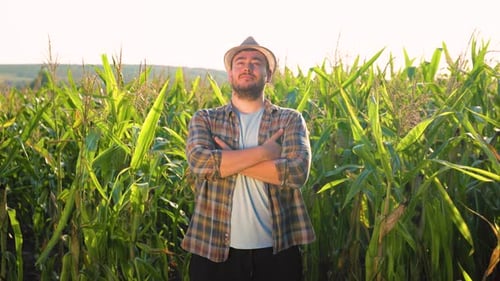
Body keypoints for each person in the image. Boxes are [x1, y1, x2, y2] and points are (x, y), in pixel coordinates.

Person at [181, 36, 316, 281]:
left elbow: (297, 173)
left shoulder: (289, 120)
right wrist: (265, 153)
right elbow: (200, 163)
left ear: (269, 75)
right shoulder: (206, 119)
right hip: (213, 250)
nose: (247, 66)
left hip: (277, 253)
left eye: (256, 62)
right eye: (240, 62)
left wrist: (224, 161)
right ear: (231, 74)